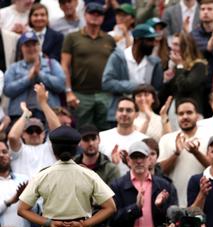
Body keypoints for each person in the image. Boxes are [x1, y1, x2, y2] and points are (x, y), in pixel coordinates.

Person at [110, 140, 178, 227]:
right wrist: (135, 209)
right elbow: (112, 220)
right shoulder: (117, 185)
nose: (139, 161)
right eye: (135, 157)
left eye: (142, 157)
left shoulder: (164, 185)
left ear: (149, 160)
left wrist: (160, 206)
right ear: (128, 160)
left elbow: (174, 220)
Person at [61, 3, 115, 131]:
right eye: (92, 13)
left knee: (106, 131)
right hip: (80, 93)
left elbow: (115, 66)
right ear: (85, 15)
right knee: (82, 131)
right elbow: (64, 65)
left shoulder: (109, 39)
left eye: (99, 14)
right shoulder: (72, 37)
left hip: (104, 93)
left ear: (103, 18)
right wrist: (68, 92)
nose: (95, 17)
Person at [101, 24, 162, 126]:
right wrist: (136, 87)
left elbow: (156, 89)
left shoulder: (154, 62)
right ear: (138, 41)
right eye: (149, 40)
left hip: (145, 116)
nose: (153, 44)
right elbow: (107, 83)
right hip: (120, 114)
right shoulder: (118, 57)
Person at [158, 98, 210, 207]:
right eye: (181, 114)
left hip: (204, 201)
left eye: (189, 113)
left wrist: (196, 153)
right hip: (175, 202)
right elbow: (161, 171)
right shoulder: (166, 139)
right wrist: (176, 153)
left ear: (197, 115)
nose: (185, 117)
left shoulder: (209, 137)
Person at [4, 31, 66, 122]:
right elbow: (7, 90)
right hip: (20, 115)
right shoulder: (13, 67)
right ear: (21, 48)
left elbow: (61, 85)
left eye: (34, 44)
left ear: (39, 46)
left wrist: (39, 75)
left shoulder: (52, 63)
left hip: (48, 114)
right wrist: (29, 78)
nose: (31, 48)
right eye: (27, 45)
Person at [98, 97, 148, 175]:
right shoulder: (102, 137)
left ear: (136, 114)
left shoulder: (144, 140)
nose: (124, 113)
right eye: (120, 110)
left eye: (128, 110)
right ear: (116, 113)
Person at [0, 141, 30, 227]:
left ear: (10, 155)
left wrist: (29, 201)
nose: (1, 155)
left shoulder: (24, 179)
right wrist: (10, 201)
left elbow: (37, 210)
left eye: (4, 152)